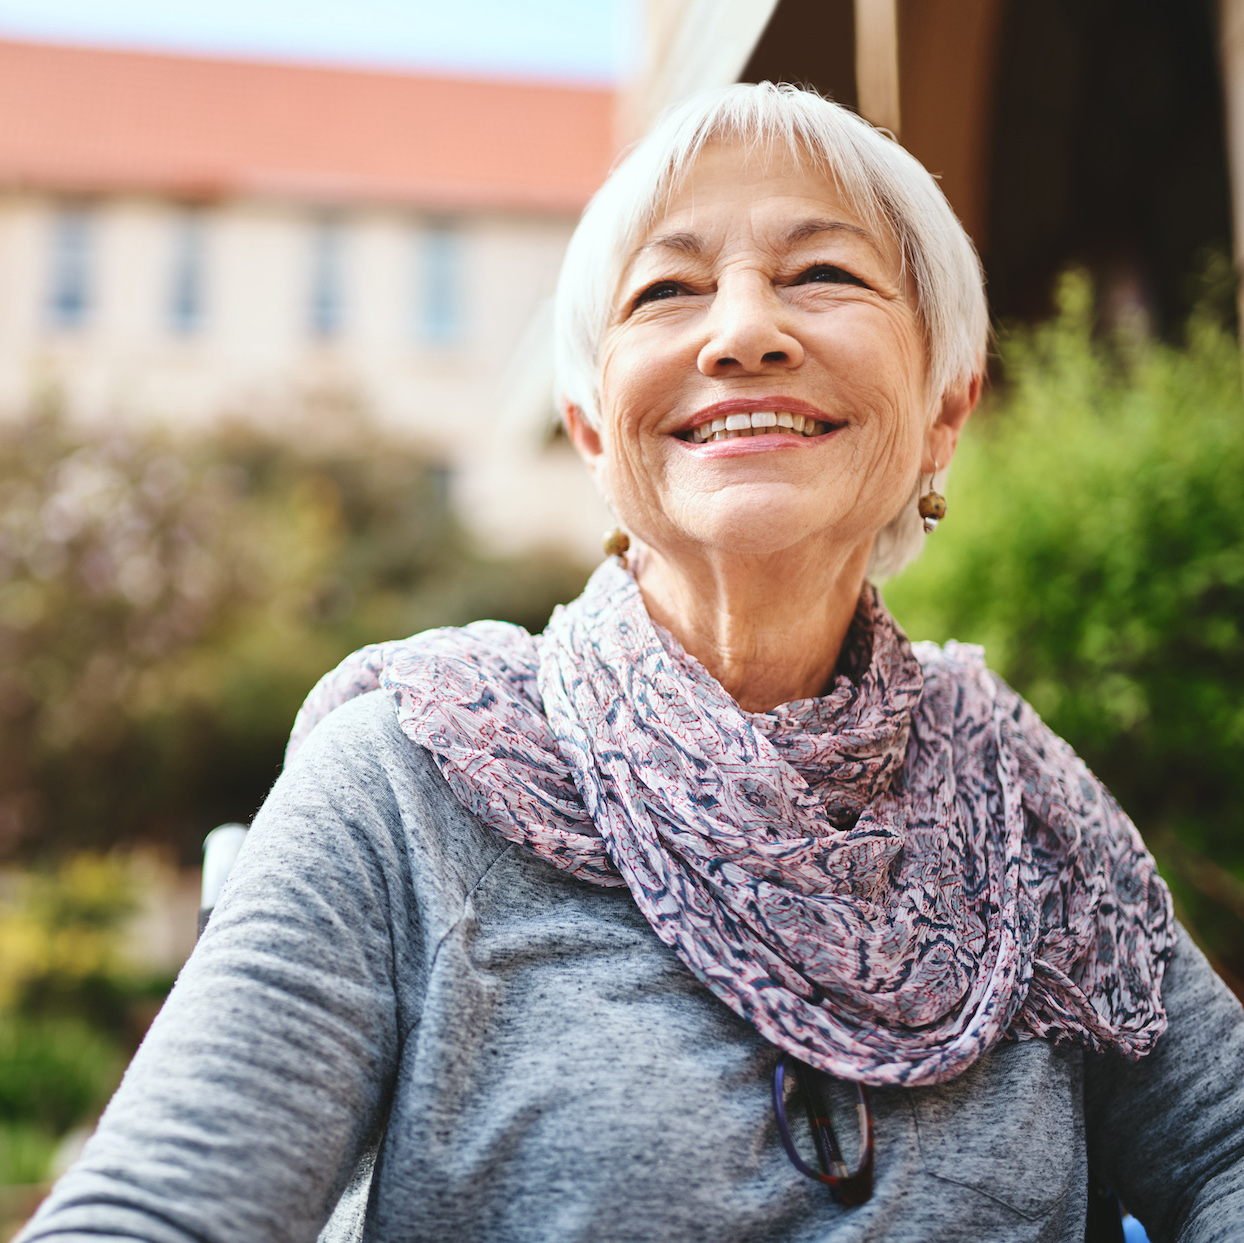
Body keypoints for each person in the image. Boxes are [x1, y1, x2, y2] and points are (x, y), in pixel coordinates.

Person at [18, 83, 1244, 1243]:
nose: (745, 329)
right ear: (593, 427)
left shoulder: (1025, 810)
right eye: (668, 291)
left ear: (944, 405)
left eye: (822, 272)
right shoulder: (404, 783)